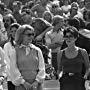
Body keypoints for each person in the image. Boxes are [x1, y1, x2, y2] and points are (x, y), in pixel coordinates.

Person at [11, 24, 45, 90]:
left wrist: (36, 82)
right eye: (29, 34)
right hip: (21, 86)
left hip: (36, 86)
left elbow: (42, 68)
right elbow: (13, 69)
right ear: (21, 35)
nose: (31, 37)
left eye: (33, 34)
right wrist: (24, 83)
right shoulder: (14, 51)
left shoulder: (37, 50)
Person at [57, 26, 90, 90]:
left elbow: (88, 68)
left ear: (75, 38)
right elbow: (59, 69)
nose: (68, 38)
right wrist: (60, 77)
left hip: (79, 81)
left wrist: (85, 77)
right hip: (65, 82)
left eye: (70, 36)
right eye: (66, 36)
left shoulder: (83, 52)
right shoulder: (60, 53)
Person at [4, 23, 20, 90]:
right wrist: (14, 76)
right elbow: (7, 62)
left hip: (25, 78)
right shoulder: (7, 46)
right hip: (11, 79)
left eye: (15, 31)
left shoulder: (26, 45)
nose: (13, 33)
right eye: (12, 31)